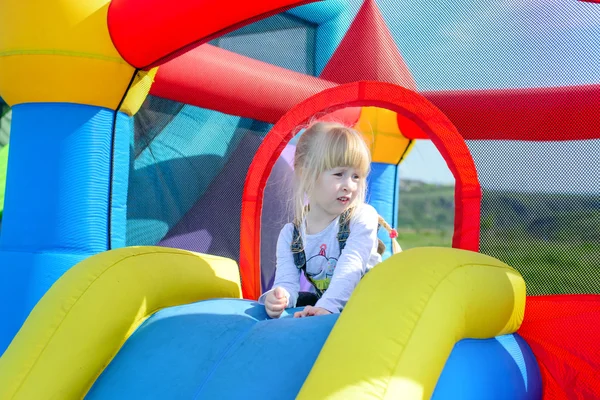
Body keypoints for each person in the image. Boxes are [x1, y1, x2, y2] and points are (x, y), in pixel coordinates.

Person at [258, 121, 402, 319]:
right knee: (302, 299)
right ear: (305, 173)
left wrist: (327, 306)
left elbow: (351, 266)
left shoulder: (361, 218)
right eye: (339, 174)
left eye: (356, 176)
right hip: (335, 308)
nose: (349, 186)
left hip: (376, 305)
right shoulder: (291, 235)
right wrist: (278, 297)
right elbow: (287, 282)